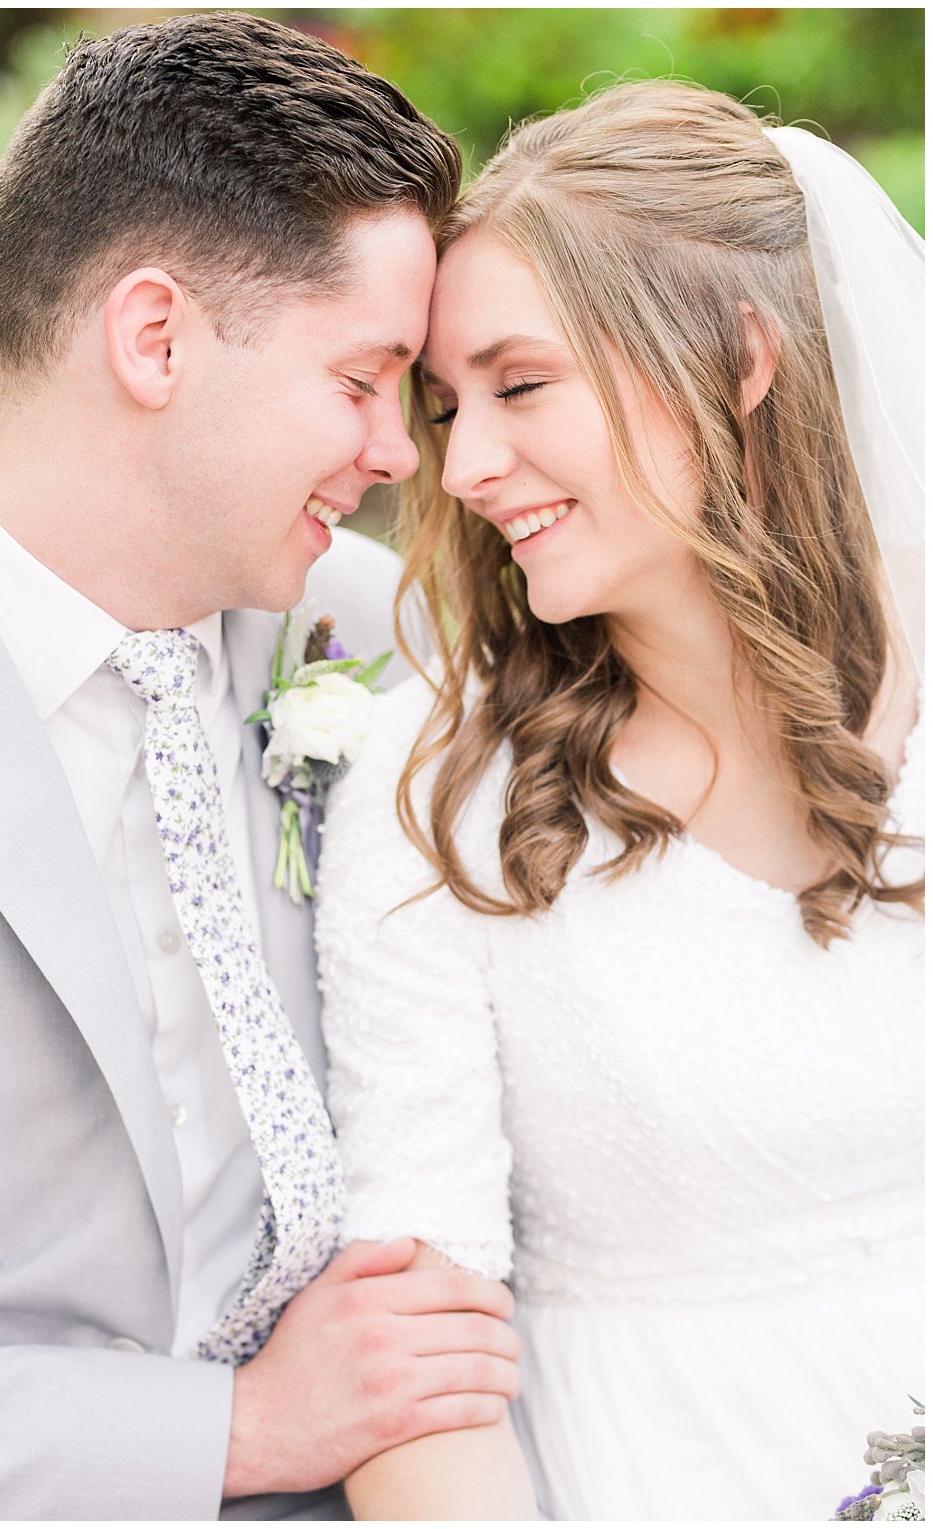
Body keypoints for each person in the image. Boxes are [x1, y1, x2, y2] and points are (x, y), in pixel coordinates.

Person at [0, 14, 527, 1519]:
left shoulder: (389, 643)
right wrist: (233, 1433)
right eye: (364, 378)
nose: (402, 453)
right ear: (156, 337)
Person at [318, 81, 924, 1519]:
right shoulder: (440, 797)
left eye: (521, 386)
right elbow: (420, 1350)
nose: (461, 469)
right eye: (447, 406)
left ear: (741, 358)